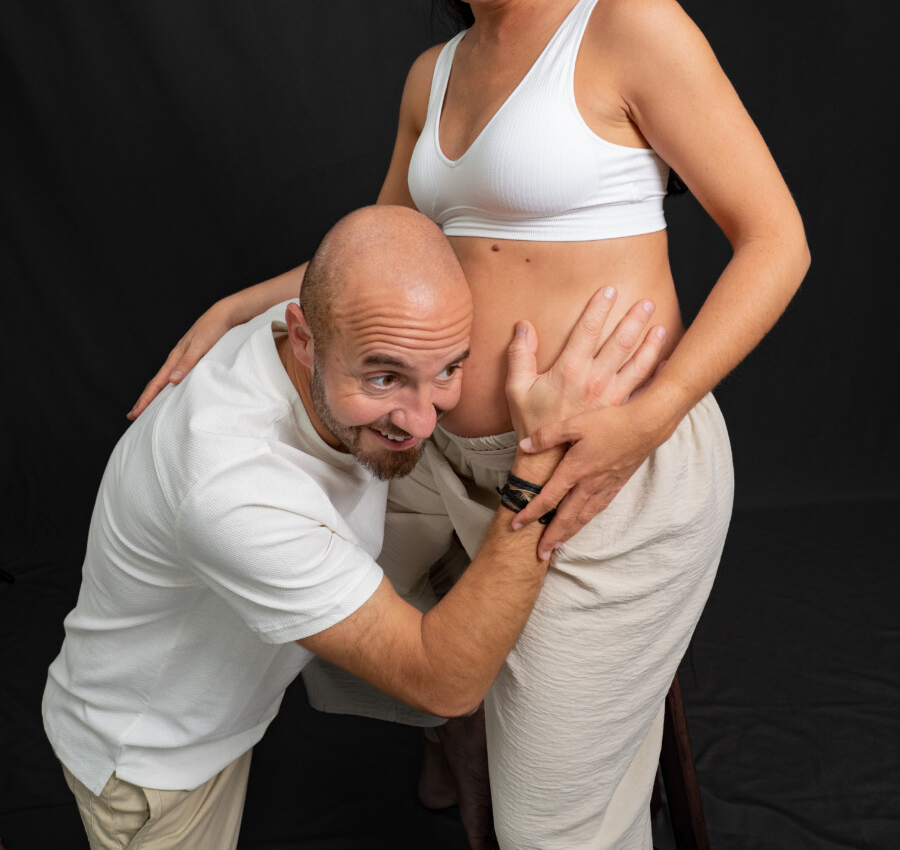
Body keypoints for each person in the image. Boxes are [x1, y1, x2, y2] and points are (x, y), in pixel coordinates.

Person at [130, 0, 810, 849]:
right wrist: (231, 308)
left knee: (554, 830)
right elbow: (376, 258)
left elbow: (777, 242)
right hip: (444, 456)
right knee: (312, 615)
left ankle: (520, 753)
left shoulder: (630, 30)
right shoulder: (432, 75)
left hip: (600, 469)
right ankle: (462, 738)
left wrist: (643, 422)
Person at [44, 205, 666, 850]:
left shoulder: (338, 326)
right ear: (304, 338)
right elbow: (444, 683)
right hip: (152, 761)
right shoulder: (233, 487)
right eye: (384, 377)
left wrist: (233, 306)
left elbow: (355, 271)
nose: (422, 422)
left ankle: (445, 777)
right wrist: (537, 467)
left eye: (448, 369)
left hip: (223, 700)